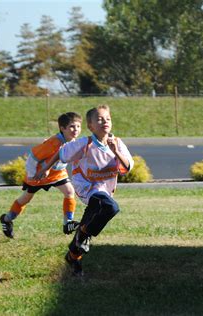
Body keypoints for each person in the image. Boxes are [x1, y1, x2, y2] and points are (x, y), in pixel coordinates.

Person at [35, 104, 134, 276]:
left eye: (108, 119)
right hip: (87, 188)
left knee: (92, 219)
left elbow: (127, 167)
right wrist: (46, 168)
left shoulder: (117, 143)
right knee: (111, 207)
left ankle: (73, 257)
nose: (105, 122)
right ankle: (83, 232)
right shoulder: (84, 144)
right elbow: (61, 153)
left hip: (105, 190)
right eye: (100, 119)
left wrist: (115, 152)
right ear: (91, 126)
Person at [0, 112, 82, 239]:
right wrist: (33, 175)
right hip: (38, 175)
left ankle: (68, 223)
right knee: (26, 199)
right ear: (62, 128)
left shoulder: (73, 141)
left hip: (57, 174)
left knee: (70, 192)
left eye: (78, 126)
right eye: (72, 126)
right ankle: (7, 218)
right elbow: (33, 158)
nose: (75, 130)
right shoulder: (53, 143)